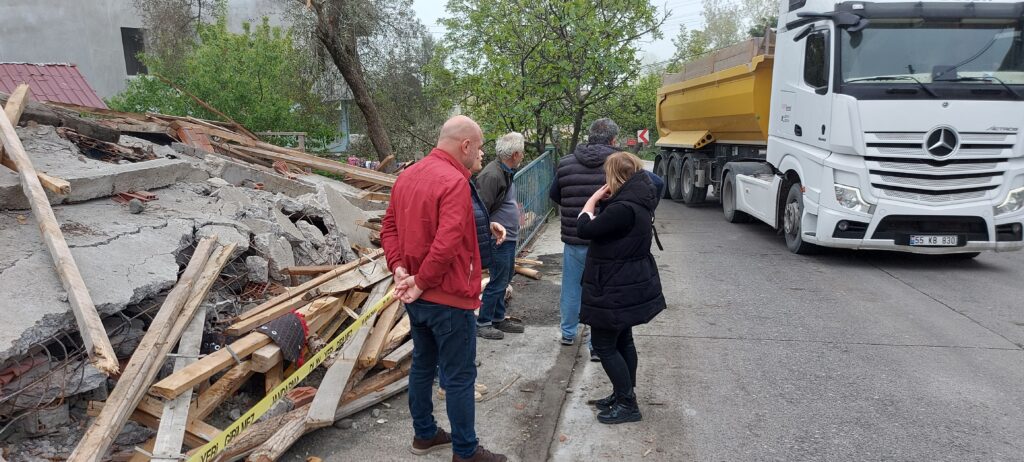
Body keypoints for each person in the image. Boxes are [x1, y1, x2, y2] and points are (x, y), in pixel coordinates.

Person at [381, 115, 508, 462]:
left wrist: (399, 268)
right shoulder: (454, 180)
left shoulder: (407, 175)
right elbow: (447, 241)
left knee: (423, 364)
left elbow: (389, 227)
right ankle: (465, 451)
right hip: (447, 296)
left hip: (417, 297)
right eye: (480, 148)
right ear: (465, 145)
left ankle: (424, 435)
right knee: (460, 376)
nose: (482, 155)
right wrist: (420, 281)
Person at [577, 151, 665, 425]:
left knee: (604, 344)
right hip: (624, 281)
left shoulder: (622, 208)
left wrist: (591, 202)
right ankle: (622, 393)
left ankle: (627, 403)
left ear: (613, 176)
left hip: (613, 284)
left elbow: (585, 229)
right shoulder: (639, 199)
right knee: (623, 339)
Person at [549, 118, 621, 358]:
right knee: (602, 291)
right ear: (612, 140)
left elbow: (556, 195)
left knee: (571, 288)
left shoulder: (566, 162)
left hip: (574, 238)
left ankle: (568, 333)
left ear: (589, 137)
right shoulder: (619, 165)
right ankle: (597, 345)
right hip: (607, 241)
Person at [474, 132, 527, 340]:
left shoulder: (504, 171)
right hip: (498, 238)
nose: (522, 155)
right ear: (514, 154)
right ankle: (484, 322)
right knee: (497, 280)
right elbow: (480, 209)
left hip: (507, 237)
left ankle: (497, 318)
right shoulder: (492, 175)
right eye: (521, 152)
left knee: (505, 277)